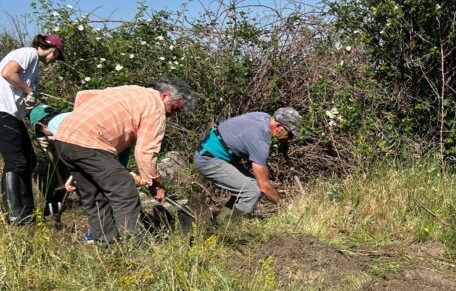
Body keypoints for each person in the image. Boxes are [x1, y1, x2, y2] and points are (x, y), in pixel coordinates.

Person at [53, 79, 195, 243]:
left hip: (64, 137)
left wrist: (82, 122)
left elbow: (83, 95)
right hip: (90, 143)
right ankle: (133, 247)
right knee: (124, 189)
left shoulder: (130, 89)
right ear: (165, 95)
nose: (172, 114)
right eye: (174, 108)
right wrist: (154, 185)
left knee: (95, 196)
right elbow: (145, 151)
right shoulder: (156, 107)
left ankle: (107, 244)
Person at [193, 107, 301, 222]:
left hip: (222, 155)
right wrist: (286, 207)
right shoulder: (259, 141)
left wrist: (282, 142)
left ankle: (223, 221)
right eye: (289, 135)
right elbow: (264, 187)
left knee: (249, 187)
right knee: (252, 192)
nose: (290, 139)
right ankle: (230, 231)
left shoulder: (264, 117)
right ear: (279, 127)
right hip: (208, 159)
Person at [0, 34, 65, 223]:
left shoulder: (34, 66)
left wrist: (32, 106)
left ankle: (27, 211)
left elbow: (18, 90)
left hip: (12, 114)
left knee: (29, 159)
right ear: (52, 50)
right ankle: (15, 215)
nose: (55, 61)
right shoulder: (28, 53)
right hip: (2, 112)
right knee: (17, 162)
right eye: (58, 57)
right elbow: (7, 73)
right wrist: (28, 91)